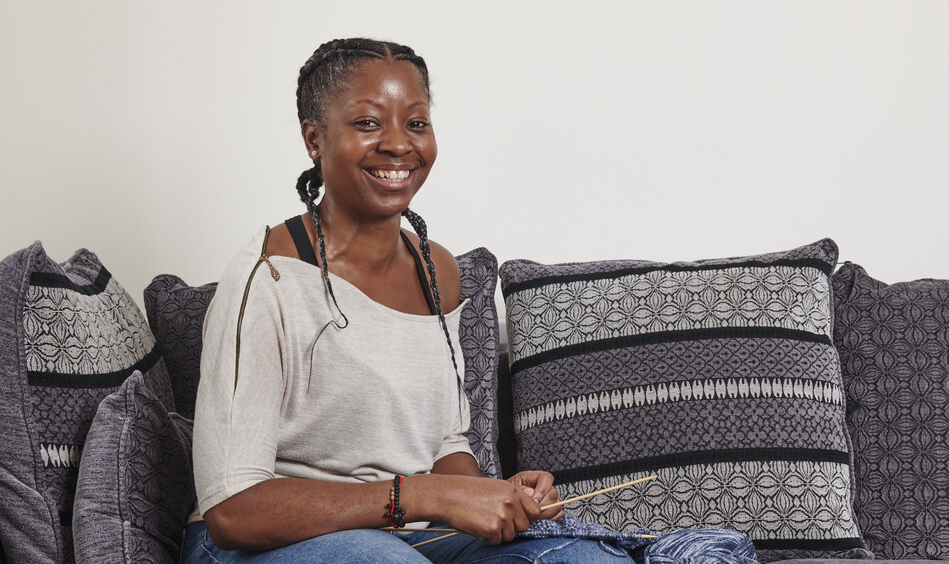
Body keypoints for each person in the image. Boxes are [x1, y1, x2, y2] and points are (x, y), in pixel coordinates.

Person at [182, 38, 635, 563]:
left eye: (416, 123)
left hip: (413, 536)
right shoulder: (269, 279)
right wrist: (424, 495)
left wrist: (496, 496)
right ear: (314, 138)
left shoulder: (437, 270)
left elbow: (443, 443)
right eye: (368, 123)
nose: (399, 145)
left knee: (583, 559)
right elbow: (234, 510)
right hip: (269, 543)